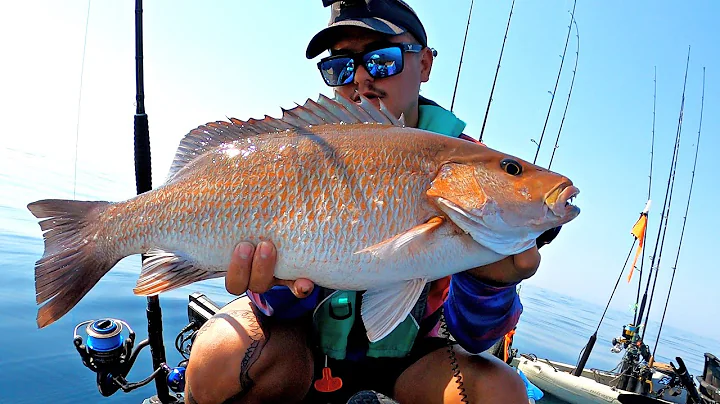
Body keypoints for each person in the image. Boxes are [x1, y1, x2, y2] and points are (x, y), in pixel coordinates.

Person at [184, 1, 560, 403]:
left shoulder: (472, 165)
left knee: (500, 391)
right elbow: (278, 311)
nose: (361, 78)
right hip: (304, 342)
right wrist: (280, 289)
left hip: (413, 359)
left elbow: (475, 336)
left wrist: (491, 284)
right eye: (341, 67)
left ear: (425, 65)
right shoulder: (299, 151)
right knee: (217, 357)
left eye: (382, 59)